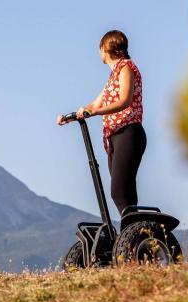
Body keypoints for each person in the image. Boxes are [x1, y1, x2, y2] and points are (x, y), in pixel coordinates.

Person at [57, 30, 146, 216]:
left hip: (129, 132)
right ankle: (135, 238)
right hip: (114, 136)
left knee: (120, 193)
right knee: (125, 195)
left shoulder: (126, 67)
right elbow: (95, 104)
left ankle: (136, 236)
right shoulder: (112, 78)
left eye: (100, 48)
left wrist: (95, 112)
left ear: (106, 48)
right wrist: (70, 117)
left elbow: (125, 100)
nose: (99, 52)